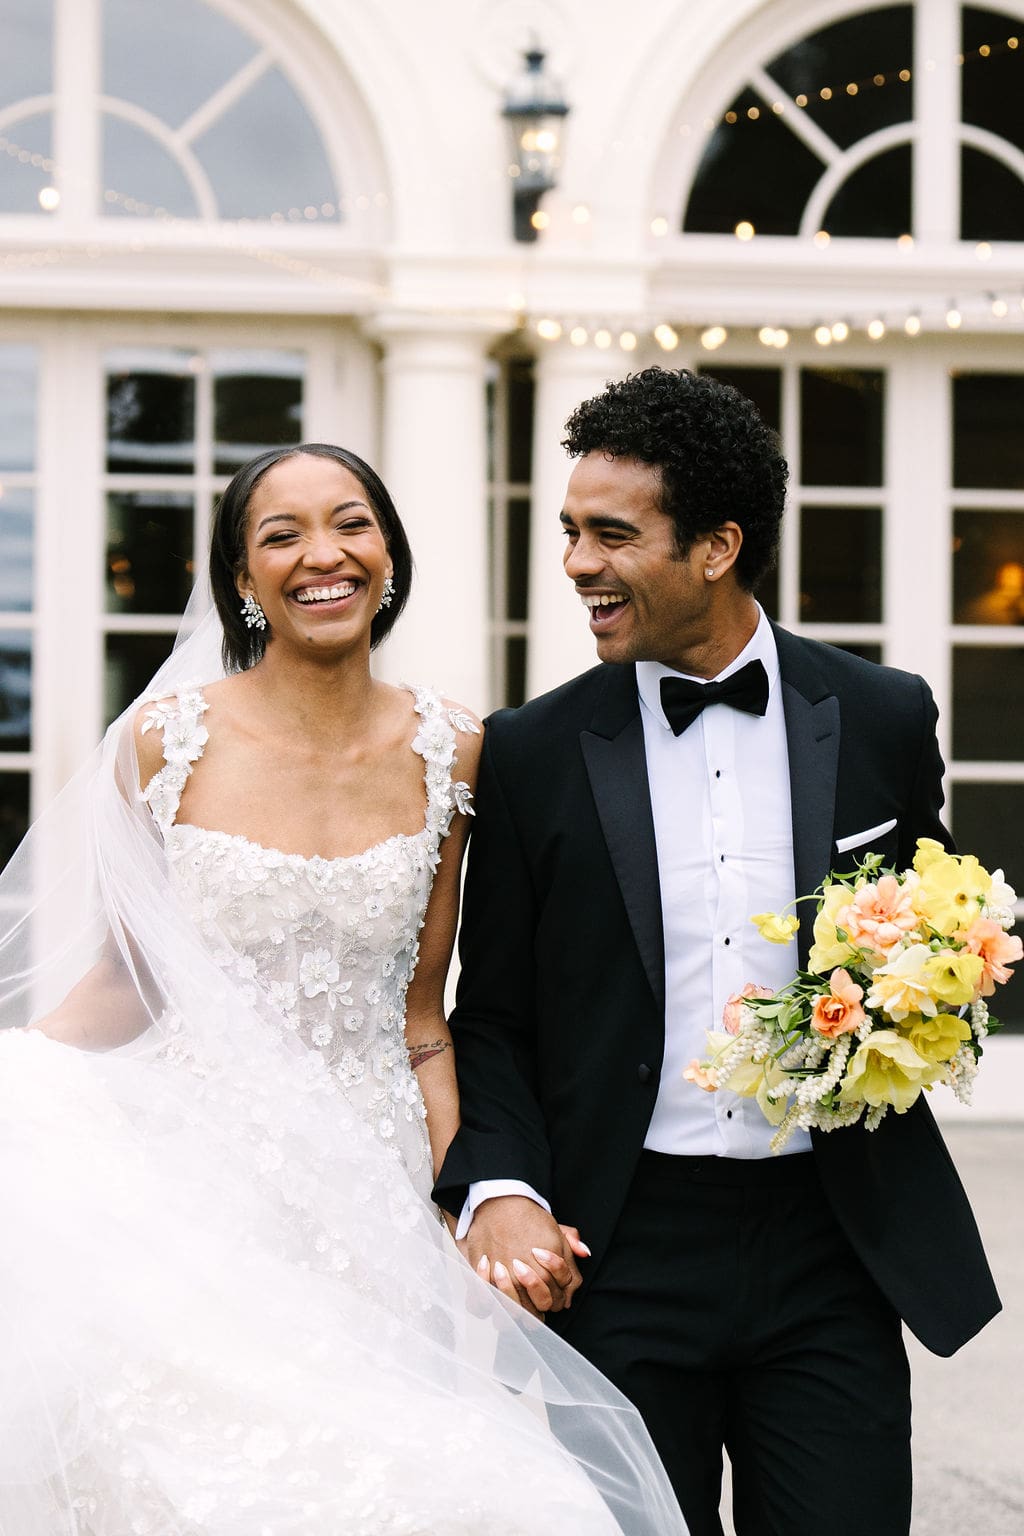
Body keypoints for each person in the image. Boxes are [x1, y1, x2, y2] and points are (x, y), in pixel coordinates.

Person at [0, 443, 686, 1535]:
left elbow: (423, 1015)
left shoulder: (457, 750)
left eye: (351, 523)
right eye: (281, 535)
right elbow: (130, 980)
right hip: (200, 1182)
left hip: (372, 1183)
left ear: (388, 555)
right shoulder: (161, 743)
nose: (323, 554)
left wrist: (476, 1199)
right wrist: (19, 1086)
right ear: (241, 579)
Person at [435, 368, 1002, 1536]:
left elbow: (945, 929)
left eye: (611, 534)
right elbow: (489, 1013)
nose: (578, 563)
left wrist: (937, 996)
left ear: (716, 546)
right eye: (570, 534)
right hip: (622, 1248)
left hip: (830, 1244)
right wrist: (499, 1187)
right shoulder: (532, 751)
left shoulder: (883, 714)